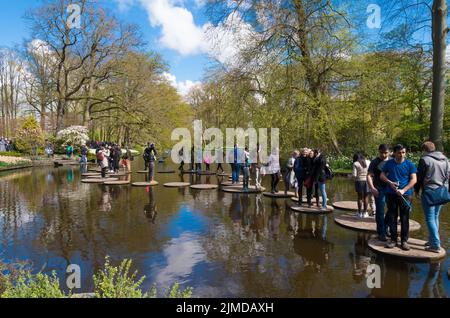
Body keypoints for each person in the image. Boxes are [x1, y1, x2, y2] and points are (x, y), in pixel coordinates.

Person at [414, 141, 450, 253]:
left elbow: (419, 178)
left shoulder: (424, 160)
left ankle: (435, 244)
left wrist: (416, 191)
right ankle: (432, 240)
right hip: (442, 191)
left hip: (429, 192)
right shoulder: (446, 160)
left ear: (424, 150)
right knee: (435, 217)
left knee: (430, 218)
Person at [380, 144, 417, 251]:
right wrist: (390, 183)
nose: (401, 155)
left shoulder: (410, 164)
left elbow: (414, 180)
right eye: (399, 152)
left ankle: (404, 241)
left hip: (406, 195)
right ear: (395, 153)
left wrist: (403, 190)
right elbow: (382, 176)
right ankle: (393, 240)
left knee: (405, 218)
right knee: (392, 217)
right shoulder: (389, 163)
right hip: (391, 194)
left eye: (403, 152)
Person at [367, 144, 390, 241]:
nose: (384, 155)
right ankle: (381, 232)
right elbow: (369, 175)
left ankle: (386, 228)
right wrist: (372, 188)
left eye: (386, 153)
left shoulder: (392, 161)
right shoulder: (374, 162)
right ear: (379, 151)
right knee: (380, 211)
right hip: (379, 189)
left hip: (391, 189)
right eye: (382, 153)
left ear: (389, 152)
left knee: (392, 210)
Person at [352, 153, 372, 218]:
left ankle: (359, 213)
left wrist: (353, 179)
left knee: (360, 197)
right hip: (367, 181)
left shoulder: (355, 163)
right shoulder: (369, 162)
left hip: (359, 181)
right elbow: (371, 172)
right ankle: (365, 213)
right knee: (366, 197)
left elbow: (354, 175)